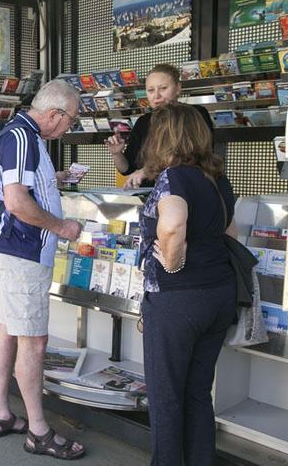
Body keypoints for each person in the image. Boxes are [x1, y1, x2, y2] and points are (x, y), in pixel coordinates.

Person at [0, 79, 86, 460]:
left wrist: (52, 181)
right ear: (55, 115)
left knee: (9, 331)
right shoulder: (24, 139)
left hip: (15, 252)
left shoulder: (25, 138)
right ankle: (38, 432)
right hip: (23, 253)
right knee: (33, 341)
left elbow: (20, 188)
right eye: (70, 121)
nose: (69, 129)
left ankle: (1, 414)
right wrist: (63, 228)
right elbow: (15, 201)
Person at [138, 103, 237, 465]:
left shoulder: (174, 177)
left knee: (165, 396)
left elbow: (172, 225)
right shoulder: (218, 180)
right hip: (219, 295)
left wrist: (174, 263)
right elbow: (230, 233)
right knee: (197, 392)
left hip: (178, 300)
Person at [105, 64, 215, 189]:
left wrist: (146, 171)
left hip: (185, 190)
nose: (156, 96)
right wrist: (117, 153)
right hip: (150, 195)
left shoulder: (194, 115)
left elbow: (191, 157)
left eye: (163, 88)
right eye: (151, 90)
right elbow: (127, 169)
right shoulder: (143, 121)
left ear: (178, 88)